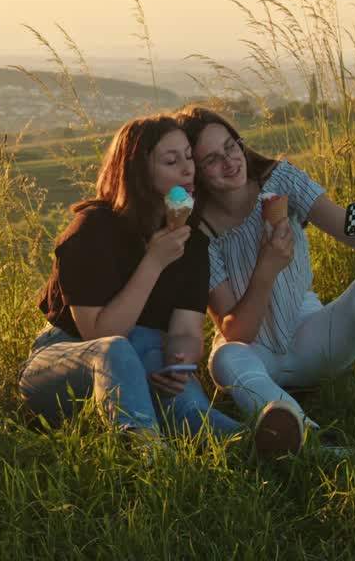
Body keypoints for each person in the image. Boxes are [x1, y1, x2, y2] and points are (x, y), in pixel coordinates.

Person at [174, 105, 355, 456]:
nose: (229, 162)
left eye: (231, 146)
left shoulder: (281, 179)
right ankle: (308, 438)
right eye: (211, 159)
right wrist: (266, 269)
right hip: (255, 353)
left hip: (312, 335)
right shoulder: (197, 231)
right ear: (197, 171)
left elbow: (346, 227)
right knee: (225, 359)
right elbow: (235, 331)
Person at [18, 114, 241, 441]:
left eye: (189, 157)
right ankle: (147, 455)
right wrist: (153, 261)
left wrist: (178, 361)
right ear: (137, 171)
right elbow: (100, 333)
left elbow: (187, 331)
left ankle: (274, 443)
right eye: (171, 161)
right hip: (66, 361)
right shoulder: (93, 230)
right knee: (115, 351)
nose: (187, 168)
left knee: (191, 408)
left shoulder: (191, 243)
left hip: (146, 352)